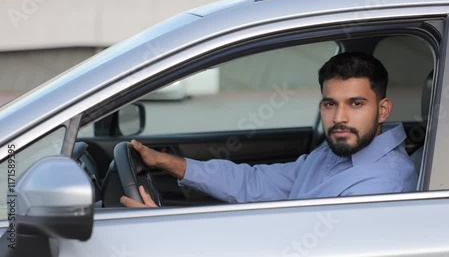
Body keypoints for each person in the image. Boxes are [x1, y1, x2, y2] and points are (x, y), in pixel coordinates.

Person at [121, 52, 418, 208]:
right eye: (330, 104)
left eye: (355, 104)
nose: (339, 117)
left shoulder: (382, 185)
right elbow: (255, 183)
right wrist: (169, 163)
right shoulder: (334, 152)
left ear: (382, 110)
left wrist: (164, 237)